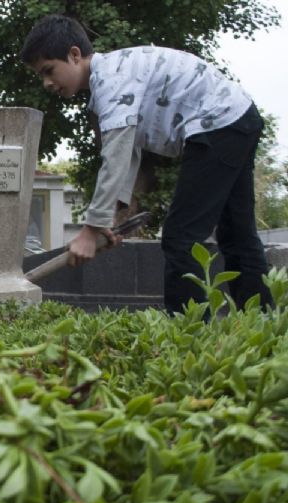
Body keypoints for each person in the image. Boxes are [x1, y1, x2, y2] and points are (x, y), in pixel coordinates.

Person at [20, 14, 273, 314]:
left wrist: (90, 230)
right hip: (236, 119)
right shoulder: (116, 75)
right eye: (40, 75)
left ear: (75, 55)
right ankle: (264, 327)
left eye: (49, 70)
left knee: (181, 239)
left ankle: (189, 335)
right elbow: (130, 152)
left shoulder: (111, 80)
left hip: (218, 124)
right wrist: (110, 219)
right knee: (238, 235)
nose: (47, 82)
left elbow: (115, 156)